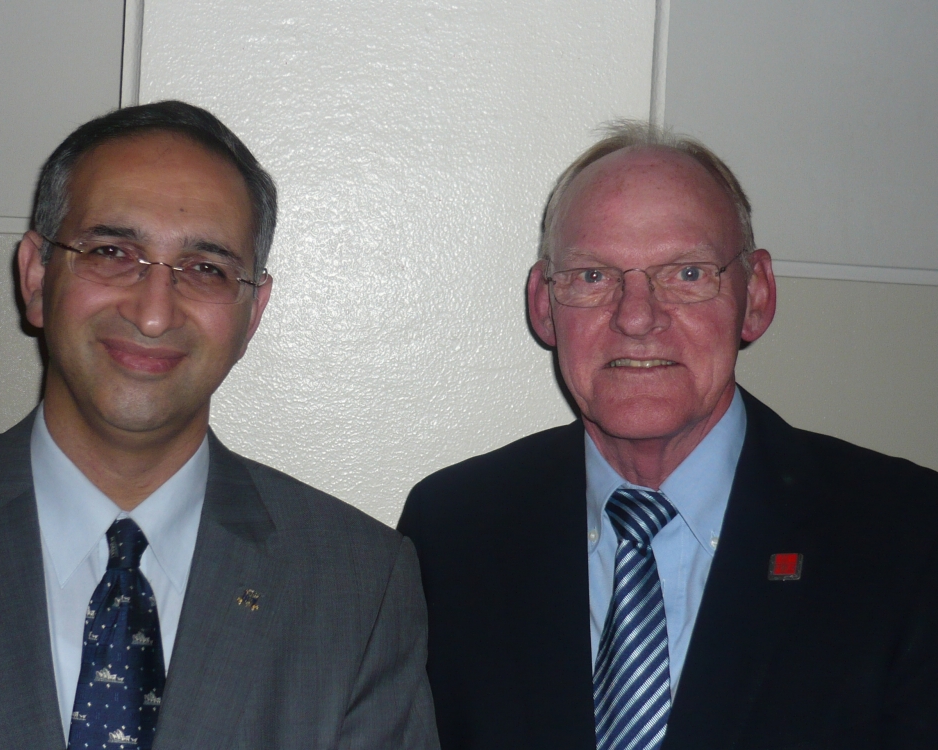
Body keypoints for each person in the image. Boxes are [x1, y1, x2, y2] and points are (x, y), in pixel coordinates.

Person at [398, 121, 938, 749]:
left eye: (687, 273)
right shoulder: (452, 532)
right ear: (544, 305)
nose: (636, 317)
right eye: (592, 276)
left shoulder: (908, 537)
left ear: (756, 296)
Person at [0, 100, 438, 749]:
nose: (153, 313)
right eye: (112, 251)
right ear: (36, 276)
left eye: (206, 269)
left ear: (253, 312)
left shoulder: (358, 588)